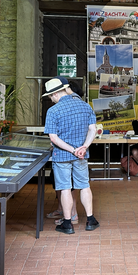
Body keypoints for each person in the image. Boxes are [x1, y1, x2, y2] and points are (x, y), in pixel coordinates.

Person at [43, 77, 99, 234]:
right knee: (84, 185)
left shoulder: (53, 111)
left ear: (54, 94)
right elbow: (93, 129)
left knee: (65, 188)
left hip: (62, 156)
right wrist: (83, 147)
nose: (50, 99)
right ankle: (90, 220)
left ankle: (67, 224)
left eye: (50, 96)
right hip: (81, 155)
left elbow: (53, 138)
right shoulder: (85, 106)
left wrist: (71, 150)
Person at [47, 79, 85, 225]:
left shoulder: (64, 107)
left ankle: (71, 214)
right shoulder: (81, 105)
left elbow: (54, 137)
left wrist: (73, 149)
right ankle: (64, 210)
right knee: (64, 184)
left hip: (67, 154)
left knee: (68, 185)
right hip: (71, 153)